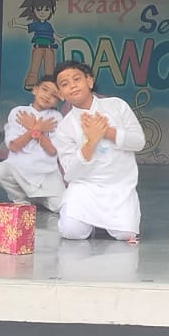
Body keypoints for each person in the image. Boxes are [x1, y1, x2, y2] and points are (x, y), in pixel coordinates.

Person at [52, 61, 145, 241]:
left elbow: (138, 142)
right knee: (72, 232)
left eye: (77, 79)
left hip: (119, 186)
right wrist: (91, 142)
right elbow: (70, 173)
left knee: (126, 235)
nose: (72, 85)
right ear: (61, 94)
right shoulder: (64, 128)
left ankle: (104, 223)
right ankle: (87, 221)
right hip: (85, 187)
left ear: (89, 81)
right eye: (65, 84)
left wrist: (107, 132)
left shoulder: (117, 106)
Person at [0, 74, 66, 212]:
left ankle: (39, 199)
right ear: (35, 90)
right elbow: (14, 146)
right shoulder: (18, 112)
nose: (47, 96)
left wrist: (36, 131)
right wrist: (36, 129)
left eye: (54, 95)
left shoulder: (56, 117)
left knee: (60, 207)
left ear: (58, 100)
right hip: (20, 166)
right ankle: (21, 200)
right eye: (45, 89)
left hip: (45, 172)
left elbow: (52, 151)